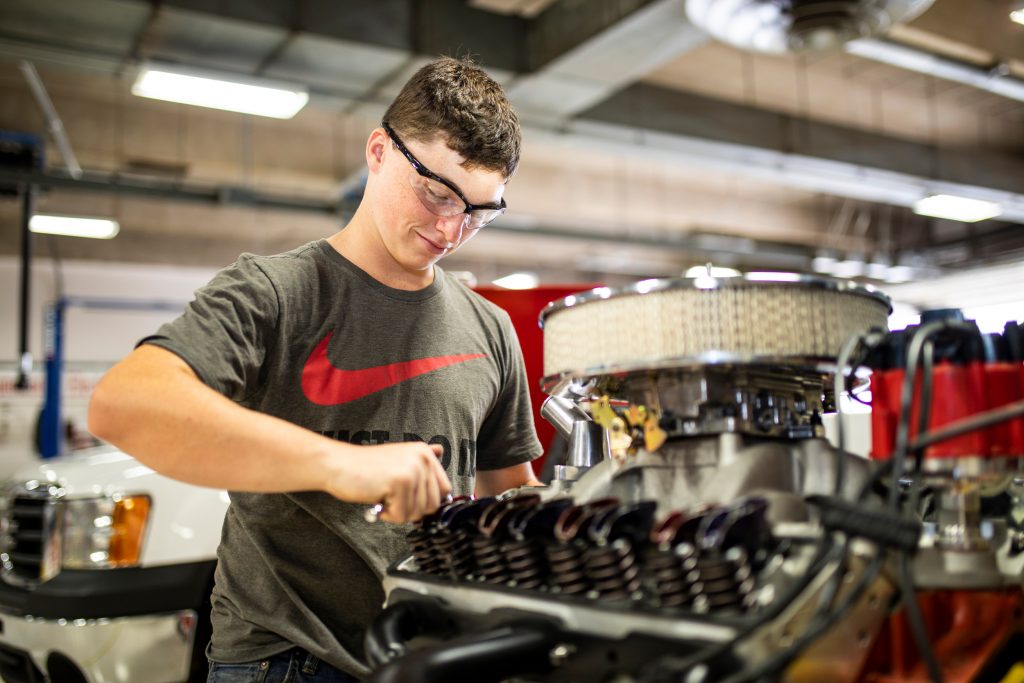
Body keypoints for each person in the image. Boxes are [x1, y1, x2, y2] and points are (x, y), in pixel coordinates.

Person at [88, 56, 543, 682]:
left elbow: (507, 489)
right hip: (287, 660)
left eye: (479, 212)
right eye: (438, 193)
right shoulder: (275, 292)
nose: (451, 227)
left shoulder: (490, 329)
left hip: (435, 655)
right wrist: (345, 465)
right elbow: (125, 404)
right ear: (379, 150)